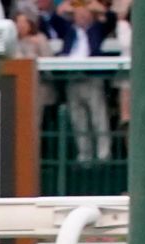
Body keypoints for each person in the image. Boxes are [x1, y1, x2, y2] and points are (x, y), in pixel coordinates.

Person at [46, 0, 117, 161]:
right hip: (72, 79)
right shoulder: (69, 31)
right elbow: (53, 20)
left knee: (98, 117)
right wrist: (68, 7)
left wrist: (93, 6)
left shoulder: (96, 29)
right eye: (79, 15)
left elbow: (111, 18)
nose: (82, 18)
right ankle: (84, 155)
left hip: (91, 78)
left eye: (86, 15)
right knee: (78, 120)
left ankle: (103, 155)